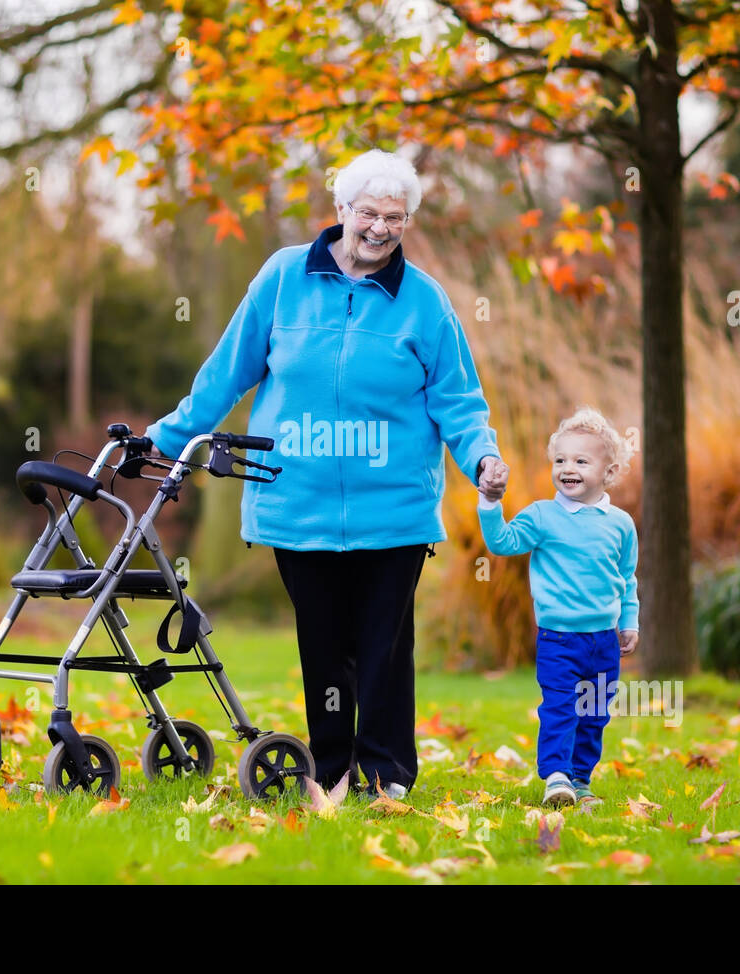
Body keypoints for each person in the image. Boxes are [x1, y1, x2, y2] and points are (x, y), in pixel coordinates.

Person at [144, 148, 508, 798]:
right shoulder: (283, 278)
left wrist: (481, 455)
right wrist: (164, 440)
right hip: (296, 506)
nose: (381, 228)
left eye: (395, 218)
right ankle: (334, 771)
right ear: (340, 209)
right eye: (369, 213)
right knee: (324, 649)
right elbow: (226, 375)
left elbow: (458, 399)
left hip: (393, 512)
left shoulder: (424, 303)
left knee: (383, 650)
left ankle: (386, 774)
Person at [476, 406, 639, 808]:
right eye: (561, 460)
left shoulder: (620, 524)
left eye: (581, 461)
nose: (568, 468)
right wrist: (490, 504)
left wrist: (630, 620)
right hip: (559, 639)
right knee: (561, 708)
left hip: (603, 641)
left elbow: (627, 578)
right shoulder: (542, 516)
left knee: (594, 715)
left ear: (609, 473)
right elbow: (502, 543)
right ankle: (556, 776)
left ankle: (580, 780)